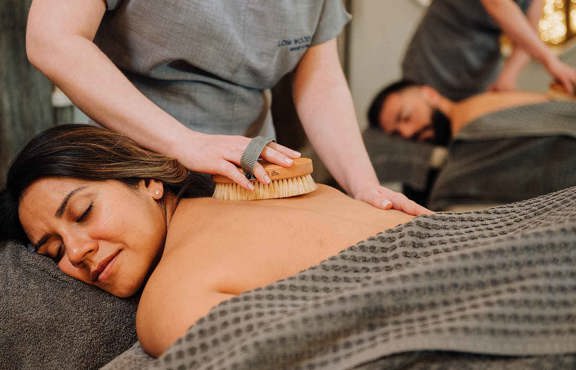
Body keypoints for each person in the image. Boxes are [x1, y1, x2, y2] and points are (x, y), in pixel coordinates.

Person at [2, 124, 575, 366]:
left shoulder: (171, 299)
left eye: (81, 212)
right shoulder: (268, 187)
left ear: (148, 180)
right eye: (52, 252)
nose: (76, 251)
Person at [25, 1, 427, 216]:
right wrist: (185, 143)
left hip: (246, 176)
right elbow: (52, 38)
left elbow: (319, 80)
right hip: (132, 163)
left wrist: (364, 186)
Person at [402, 0, 576, 101]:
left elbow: (532, 27)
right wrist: (550, 60)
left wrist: (509, 75)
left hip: (482, 65)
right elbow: (497, 4)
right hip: (437, 53)